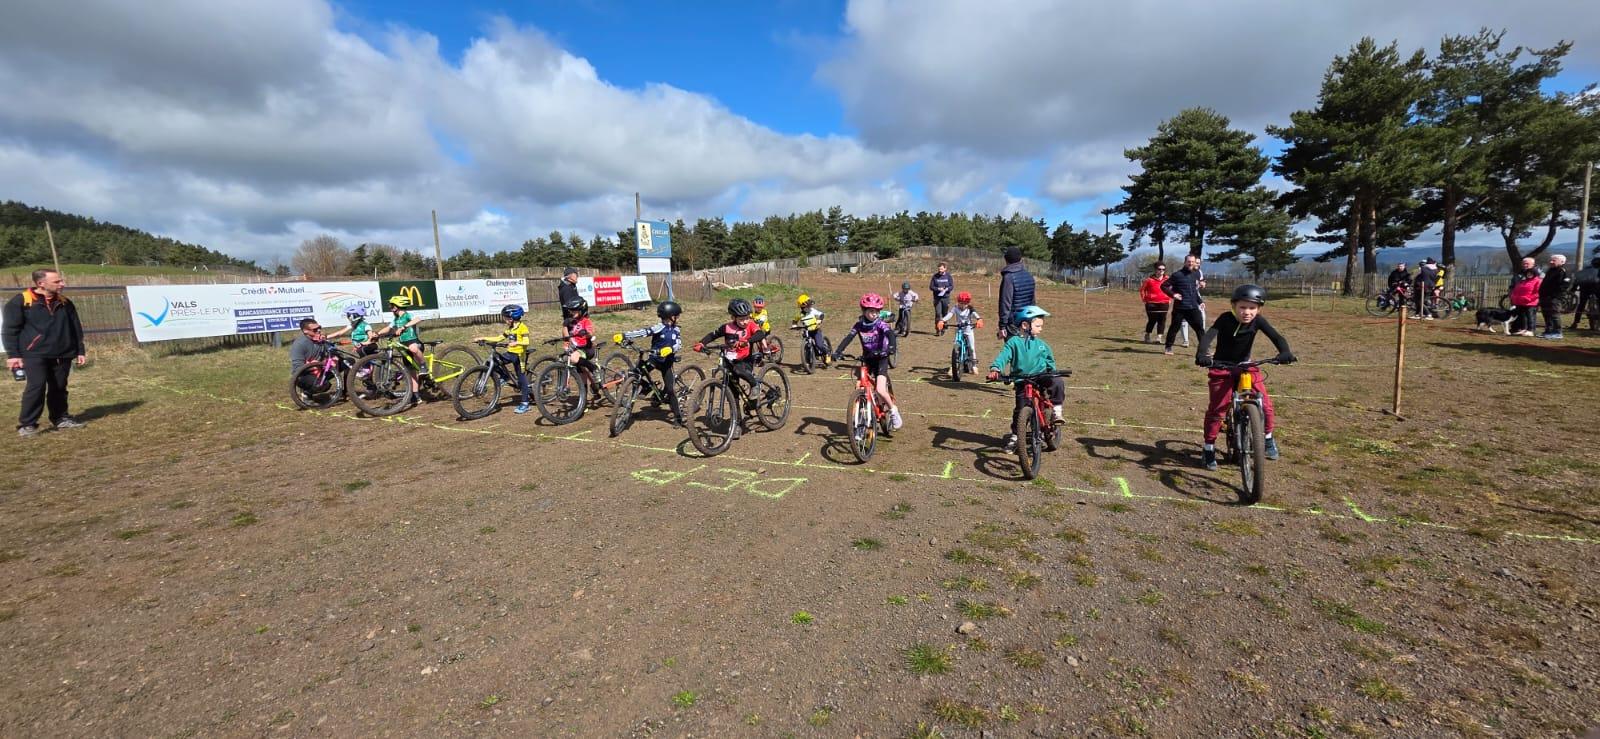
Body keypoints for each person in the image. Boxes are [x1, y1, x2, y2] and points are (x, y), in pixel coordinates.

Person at [1194, 285, 1296, 471]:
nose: (1247, 312)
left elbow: (1277, 337)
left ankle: (1267, 438)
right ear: (1234, 306)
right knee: (1218, 409)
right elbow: (1208, 337)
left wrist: (1285, 351)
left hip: (1245, 366)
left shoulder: (1258, 321)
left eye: (1252, 308)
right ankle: (1208, 447)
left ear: (1259, 309)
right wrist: (1202, 354)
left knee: (1265, 405)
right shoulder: (1225, 318)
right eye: (1242, 307)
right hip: (1222, 366)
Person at [3, 269, 87, 437]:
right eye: (57, 281)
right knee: (36, 387)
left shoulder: (65, 302)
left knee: (59, 387)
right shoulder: (21, 301)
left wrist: (80, 350)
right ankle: (27, 424)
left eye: (61, 280)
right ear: (41, 283)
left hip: (63, 353)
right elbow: (10, 330)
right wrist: (13, 355)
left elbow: (75, 328)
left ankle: (60, 418)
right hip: (34, 353)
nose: (62, 284)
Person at [986, 305, 1065, 453]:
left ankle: (1056, 410)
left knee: (1057, 381)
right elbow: (1003, 356)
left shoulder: (1042, 345)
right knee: (1020, 410)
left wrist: (1053, 372)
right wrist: (995, 369)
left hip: (1041, 378)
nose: (1041, 329)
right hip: (1022, 380)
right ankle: (1016, 436)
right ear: (1025, 325)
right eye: (1038, 326)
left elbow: (1050, 363)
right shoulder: (1013, 342)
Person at [694, 298, 777, 436]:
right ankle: (737, 423)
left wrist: (747, 341)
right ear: (733, 317)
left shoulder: (751, 325)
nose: (745, 321)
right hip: (729, 361)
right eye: (741, 319)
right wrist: (701, 343)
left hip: (745, 361)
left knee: (739, 370)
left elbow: (760, 334)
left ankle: (754, 385)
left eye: (747, 318)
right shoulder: (727, 327)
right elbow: (713, 335)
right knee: (733, 395)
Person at [833, 293, 903, 430]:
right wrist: (838, 351)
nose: (874, 314)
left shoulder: (880, 324)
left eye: (877, 311)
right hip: (867, 358)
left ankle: (893, 410)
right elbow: (849, 337)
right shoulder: (859, 325)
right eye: (871, 311)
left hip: (881, 358)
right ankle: (862, 410)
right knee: (859, 386)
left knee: (880, 389)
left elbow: (890, 334)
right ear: (864, 311)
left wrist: (891, 347)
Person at [617, 300, 687, 427]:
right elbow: (644, 332)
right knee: (634, 373)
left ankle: (678, 417)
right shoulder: (659, 327)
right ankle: (647, 387)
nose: (678, 318)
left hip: (667, 363)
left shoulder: (676, 330)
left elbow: (679, 344)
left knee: (670, 390)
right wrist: (624, 335)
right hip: (654, 359)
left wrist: (671, 349)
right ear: (671, 316)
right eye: (677, 316)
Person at [475, 304, 533, 413]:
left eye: (506, 318)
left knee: (522, 379)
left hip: (519, 356)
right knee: (491, 362)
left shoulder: (522, 327)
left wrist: (516, 343)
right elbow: (500, 338)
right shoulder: (511, 329)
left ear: (512, 318)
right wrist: (483, 338)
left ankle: (525, 403)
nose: (505, 320)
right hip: (510, 354)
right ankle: (505, 376)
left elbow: (526, 341)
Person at [371, 295, 428, 391]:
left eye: (392, 306)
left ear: (397, 306)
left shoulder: (407, 315)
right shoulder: (396, 319)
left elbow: (418, 319)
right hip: (404, 346)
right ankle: (415, 395)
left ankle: (423, 366)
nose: (390, 308)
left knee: (413, 348)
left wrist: (404, 327)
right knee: (411, 373)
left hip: (413, 342)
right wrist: (378, 334)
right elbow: (389, 328)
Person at [1162, 254, 1205, 355]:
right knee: (1174, 328)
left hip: (1193, 307)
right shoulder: (1177, 275)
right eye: (1189, 261)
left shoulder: (1196, 274)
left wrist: (1200, 301)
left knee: (1200, 328)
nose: (1191, 263)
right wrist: (1173, 295)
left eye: (1192, 262)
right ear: (1185, 262)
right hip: (1180, 308)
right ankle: (1168, 347)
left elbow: (1194, 291)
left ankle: (1204, 350)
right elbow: (1164, 286)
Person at [561, 297, 601, 395]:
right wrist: (565, 329)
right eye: (571, 311)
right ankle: (584, 397)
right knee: (581, 373)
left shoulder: (586, 321)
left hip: (587, 348)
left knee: (574, 359)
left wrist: (586, 333)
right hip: (576, 349)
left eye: (574, 311)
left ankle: (593, 368)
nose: (572, 312)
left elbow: (591, 333)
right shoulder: (570, 322)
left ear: (582, 310)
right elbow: (566, 336)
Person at [936, 291, 984, 371]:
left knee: (972, 347)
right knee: (956, 345)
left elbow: (976, 315)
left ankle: (974, 365)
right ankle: (953, 365)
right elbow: (950, 314)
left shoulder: (970, 309)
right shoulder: (955, 308)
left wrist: (979, 319)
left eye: (965, 303)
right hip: (959, 329)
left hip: (968, 329)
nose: (962, 305)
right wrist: (942, 320)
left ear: (968, 303)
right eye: (961, 303)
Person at [997, 246, 1035, 340]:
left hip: (1013, 324)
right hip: (1027, 320)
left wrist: (1002, 325)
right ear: (1020, 259)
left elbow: (1005, 303)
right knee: (1025, 347)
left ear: (1006, 260)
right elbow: (1033, 301)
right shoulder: (1029, 276)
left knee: (1014, 348)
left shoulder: (1008, 277)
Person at [792, 294, 831, 368]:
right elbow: (795, 320)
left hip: (816, 331)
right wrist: (794, 325)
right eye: (808, 305)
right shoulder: (800, 315)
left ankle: (827, 353)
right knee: (807, 345)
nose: (810, 306)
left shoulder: (812, 311)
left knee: (819, 345)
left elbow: (821, 314)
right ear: (803, 306)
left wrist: (820, 320)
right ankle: (808, 360)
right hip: (807, 331)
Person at [1539, 254, 1570, 339]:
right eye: (1551, 260)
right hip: (1545, 296)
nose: (1551, 262)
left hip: (1554, 298)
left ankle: (1557, 332)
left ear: (1562, 262)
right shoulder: (1550, 270)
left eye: (1554, 260)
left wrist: (1555, 295)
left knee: (1554, 314)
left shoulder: (1562, 271)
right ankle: (1548, 331)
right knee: (1546, 314)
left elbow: (1564, 285)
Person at [1509, 258, 1542, 337]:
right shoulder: (1520, 275)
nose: (1525, 265)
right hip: (1519, 300)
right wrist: (1512, 296)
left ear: (1533, 264)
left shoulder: (1539, 276)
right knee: (1521, 315)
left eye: (1527, 263)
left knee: (1530, 315)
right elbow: (1514, 287)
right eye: (1523, 263)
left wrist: (1530, 298)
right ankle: (1520, 328)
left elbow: (1538, 291)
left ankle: (1531, 329)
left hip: (1531, 301)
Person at [1139, 264, 1171, 343]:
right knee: (1152, 320)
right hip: (1151, 303)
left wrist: (1170, 298)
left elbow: (1172, 289)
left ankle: (1159, 337)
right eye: (1159, 269)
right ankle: (1147, 335)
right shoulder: (1149, 280)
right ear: (1156, 270)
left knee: (1162, 320)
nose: (1161, 271)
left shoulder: (1168, 279)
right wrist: (1144, 299)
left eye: (1163, 269)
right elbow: (1142, 290)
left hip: (1164, 302)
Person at [1570, 256, 1600, 332]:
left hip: (1585, 290)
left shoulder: (1585, 270)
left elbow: (1577, 279)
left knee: (1581, 305)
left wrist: (1573, 289)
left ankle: (1575, 322)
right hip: (1597, 290)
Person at [929, 263, 954, 335]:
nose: (940, 270)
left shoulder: (948, 276)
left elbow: (951, 286)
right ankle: (938, 329)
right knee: (938, 313)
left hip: (946, 297)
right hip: (937, 298)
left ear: (945, 269)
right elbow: (931, 287)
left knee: (944, 313)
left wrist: (946, 289)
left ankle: (944, 327)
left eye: (941, 269)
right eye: (939, 269)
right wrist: (938, 289)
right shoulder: (935, 276)